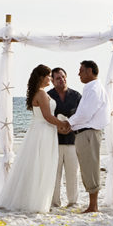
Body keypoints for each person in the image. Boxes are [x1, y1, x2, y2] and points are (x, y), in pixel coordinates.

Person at [0, 65, 64, 213]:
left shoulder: (40, 93)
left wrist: (58, 125)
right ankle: (35, 202)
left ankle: (35, 199)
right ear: (41, 77)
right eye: (48, 76)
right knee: (41, 165)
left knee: (37, 165)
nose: (50, 79)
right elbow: (47, 116)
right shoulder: (41, 94)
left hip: (41, 130)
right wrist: (63, 124)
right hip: (43, 132)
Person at [66, 60, 109, 214]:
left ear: (90, 71)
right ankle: (92, 204)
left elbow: (85, 114)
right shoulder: (91, 88)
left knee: (90, 167)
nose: (79, 74)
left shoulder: (93, 89)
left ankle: (93, 205)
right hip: (85, 132)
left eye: (81, 70)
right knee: (87, 167)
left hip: (89, 132)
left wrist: (68, 123)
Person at [48, 67, 81, 208]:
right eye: (58, 78)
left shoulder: (76, 96)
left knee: (73, 173)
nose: (61, 80)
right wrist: (58, 128)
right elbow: (46, 118)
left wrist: (69, 128)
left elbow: (81, 116)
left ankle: (72, 202)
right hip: (54, 141)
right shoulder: (48, 96)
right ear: (52, 81)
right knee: (55, 174)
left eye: (63, 77)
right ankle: (55, 202)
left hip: (73, 140)